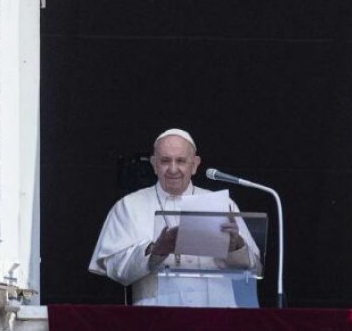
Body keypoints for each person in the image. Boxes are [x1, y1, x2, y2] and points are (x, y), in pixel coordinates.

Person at [89, 128, 260, 307]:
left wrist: (236, 247)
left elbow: (254, 267)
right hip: (156, 316)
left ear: (194, 164)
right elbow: (115, 268)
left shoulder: (224, 205)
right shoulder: (129, 206)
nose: (173, 169)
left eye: (181, 161)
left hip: (216, 315)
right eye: (165, 161)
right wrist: (155, 251)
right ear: (154, 164)